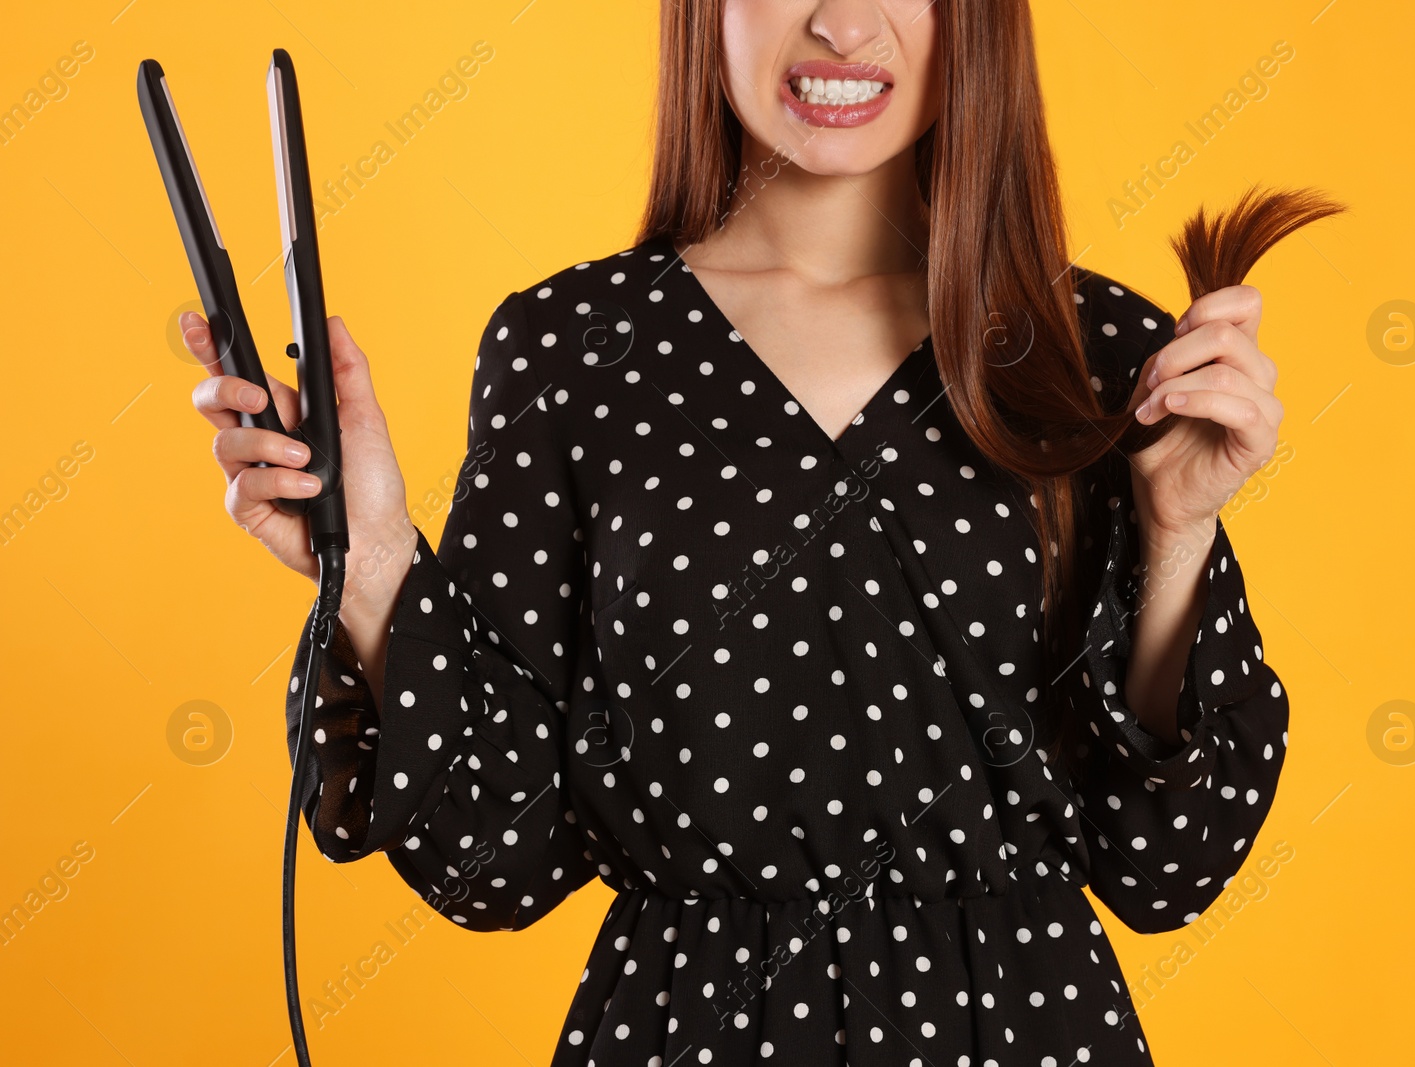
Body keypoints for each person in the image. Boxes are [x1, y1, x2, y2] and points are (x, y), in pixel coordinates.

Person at [182, 1, 1291, 1062]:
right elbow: (495, 856)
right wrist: (370, 560)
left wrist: (1175, 530)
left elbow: (1167, 864)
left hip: (1028, 1030)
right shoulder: (575, 350)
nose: (844, 24)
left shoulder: (1091, 351)